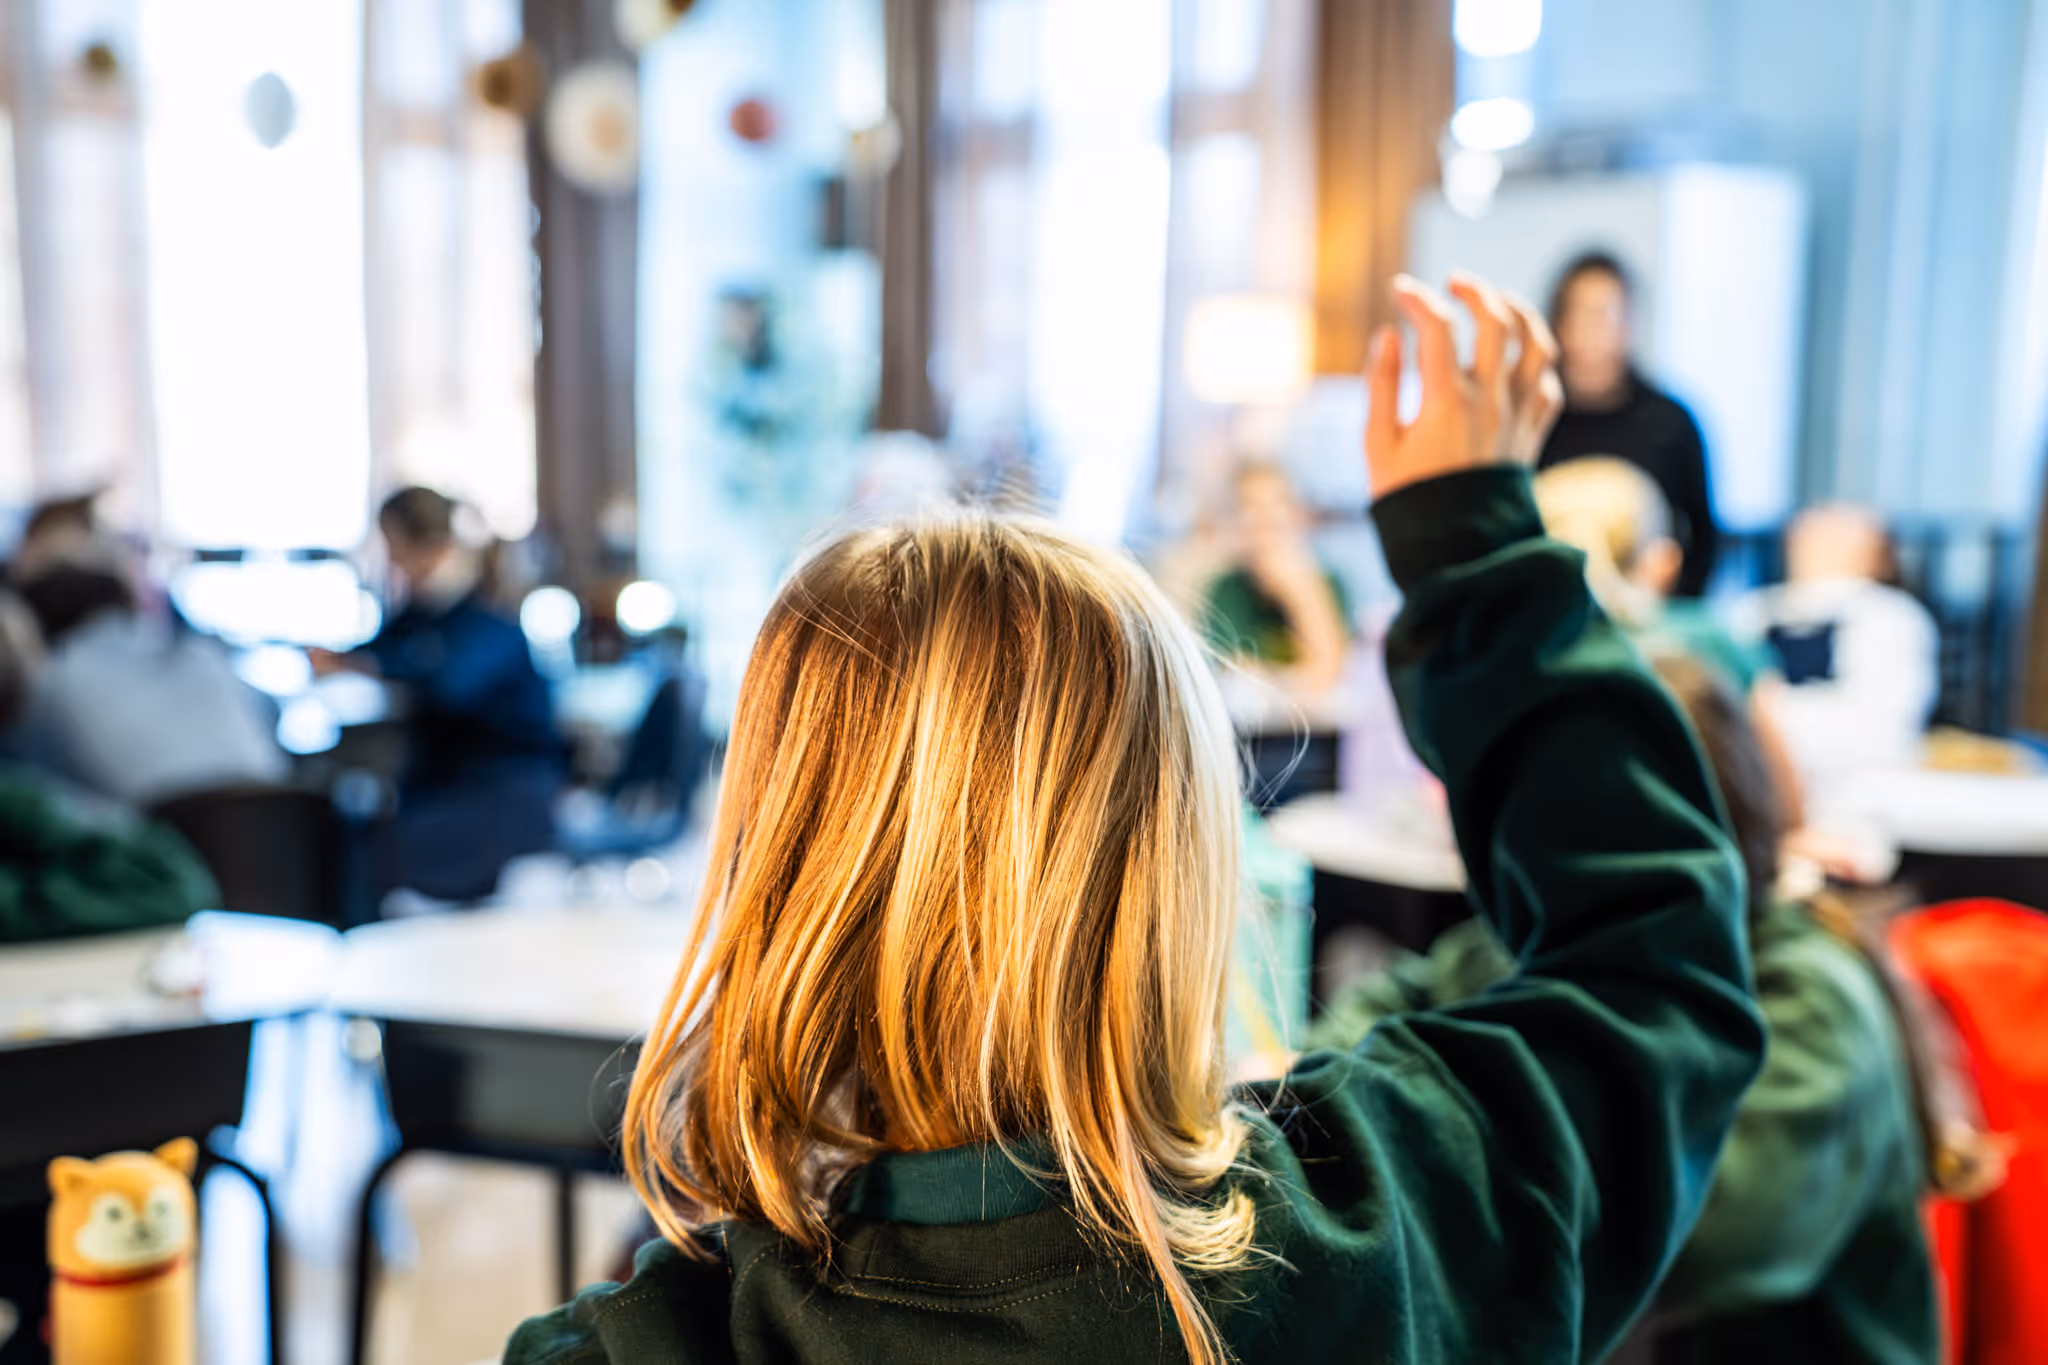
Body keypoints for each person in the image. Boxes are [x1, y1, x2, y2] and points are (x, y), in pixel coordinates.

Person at [503, 273, 1767, 1364]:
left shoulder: (650, 1346)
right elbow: (1655, 968)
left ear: (780, 858)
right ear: (1179, 861)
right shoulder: (1391, 1226)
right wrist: (1473, 544)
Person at [1305, 651, 1999, 1365]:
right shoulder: (1551, 943)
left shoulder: (1814, 1000)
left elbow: (1687, 1239)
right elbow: (1392, 1004)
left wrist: (1435, 1146)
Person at [314, 487, 561, 901]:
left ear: (427, 546)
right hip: (453, 787)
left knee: (367, 853)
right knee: (351, 827)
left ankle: (371, 951)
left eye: (395, 547)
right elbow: (387, 646)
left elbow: (450, 683)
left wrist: (365, 667)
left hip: (503, 797)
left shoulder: (487, 604)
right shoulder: (427, 609)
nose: (391, 562)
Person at [13, 562, 287, 806]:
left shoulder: (52, 682)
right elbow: (271, 713)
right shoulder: (203, 654)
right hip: (278, 838)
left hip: (149, 851)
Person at [1539, 251, 1721, 596]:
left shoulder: (1669, 423)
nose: (1594, 330)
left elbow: (1703, 543)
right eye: (1581, 313)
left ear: (1629, 321)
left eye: (1606, 314)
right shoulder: (1534, 418)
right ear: (1559, 321)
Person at [1729, 504, 1940, 777]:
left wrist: (1772, 719)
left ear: (1875, 554)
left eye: (1832, 540)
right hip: (1760, 774)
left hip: (1860, 782)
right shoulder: (1755, 610)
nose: (1814, 549)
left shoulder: (1890, 617)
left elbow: (1882, 728)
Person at [1199, 462, 1351, 697]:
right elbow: (1233, 676)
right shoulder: (1227, 589)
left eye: (1278, 503)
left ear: (1299, 515)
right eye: (1250, 505)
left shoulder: (1330, 585)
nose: (1266, 518)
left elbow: (1335, 674)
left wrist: (1301, 594)